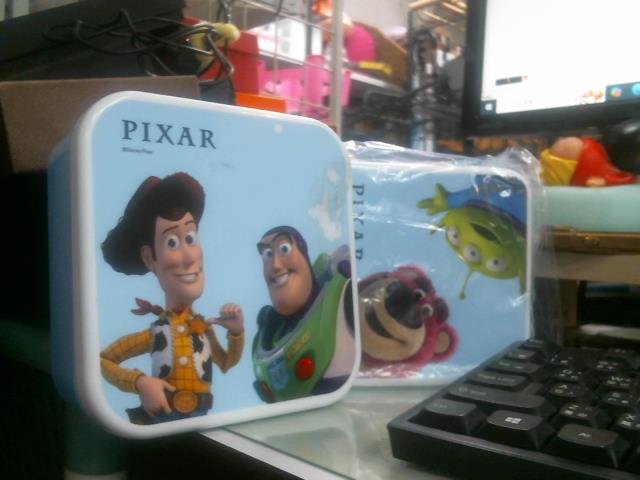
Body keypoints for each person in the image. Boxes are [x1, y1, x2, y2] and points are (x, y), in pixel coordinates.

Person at [100, 172, 244, 424]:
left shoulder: (204, 329)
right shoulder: (156, 334)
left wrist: (236, 333)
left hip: (202, 421)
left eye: (190, 238)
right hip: (162, 419)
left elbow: (226, 362)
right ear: (149, 259)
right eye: (172, 242)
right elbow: (103, 360)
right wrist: (139, 382)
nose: (189, 257)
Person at [252, 226, 355, 402]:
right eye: (267, 255)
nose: (275, 265)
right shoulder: (268, 336)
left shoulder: (343, 297)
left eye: (284, 249)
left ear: (303, 253)